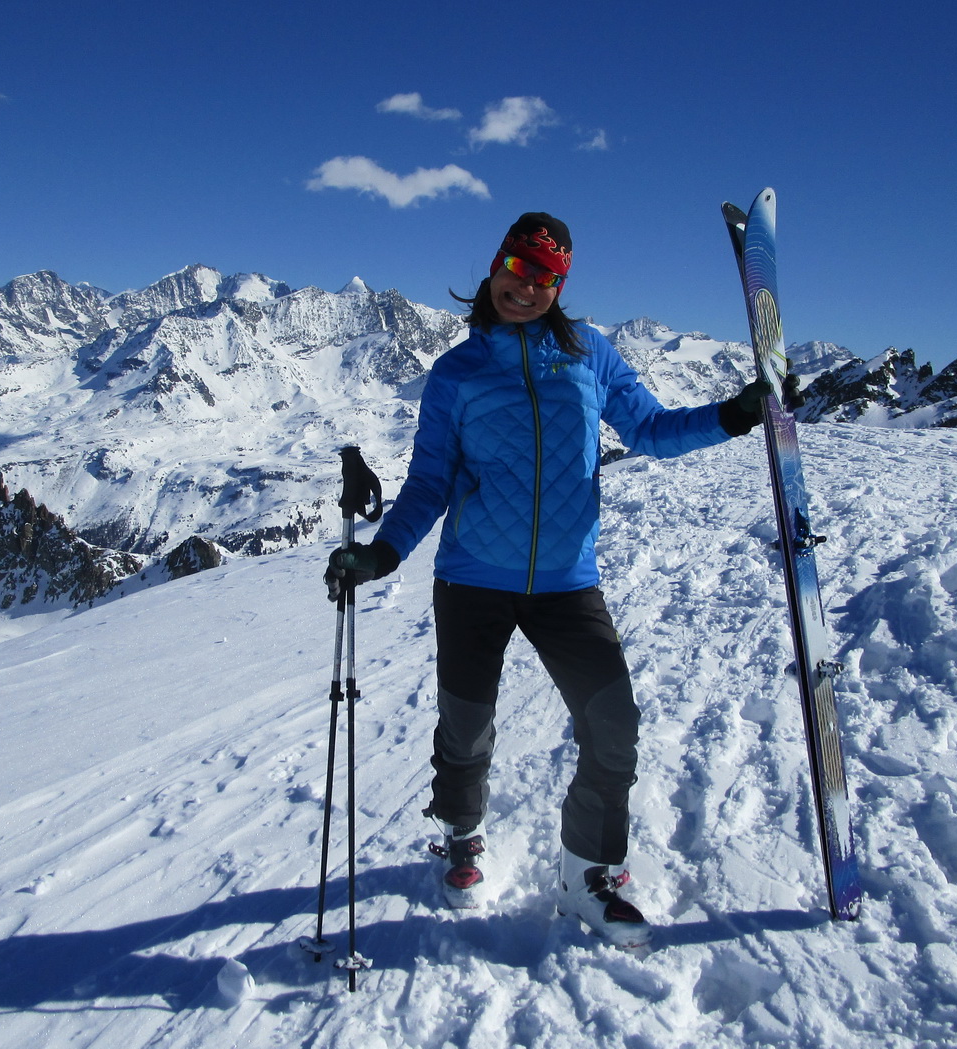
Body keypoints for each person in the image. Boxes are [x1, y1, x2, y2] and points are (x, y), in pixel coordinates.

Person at [324, 212, 774, 948]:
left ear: (559, 286)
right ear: (495, 266)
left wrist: (733, 415)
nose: (526, 287)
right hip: (472, 581)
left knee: (613, 726)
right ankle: (460, 832)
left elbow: (651, 431)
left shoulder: (590, 354)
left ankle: (587, 875)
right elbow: (430, 481)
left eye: (544, 277)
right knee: (465, 730)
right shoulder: (456, 373)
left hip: (567, 584)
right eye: (517, 268)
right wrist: (384, 554)